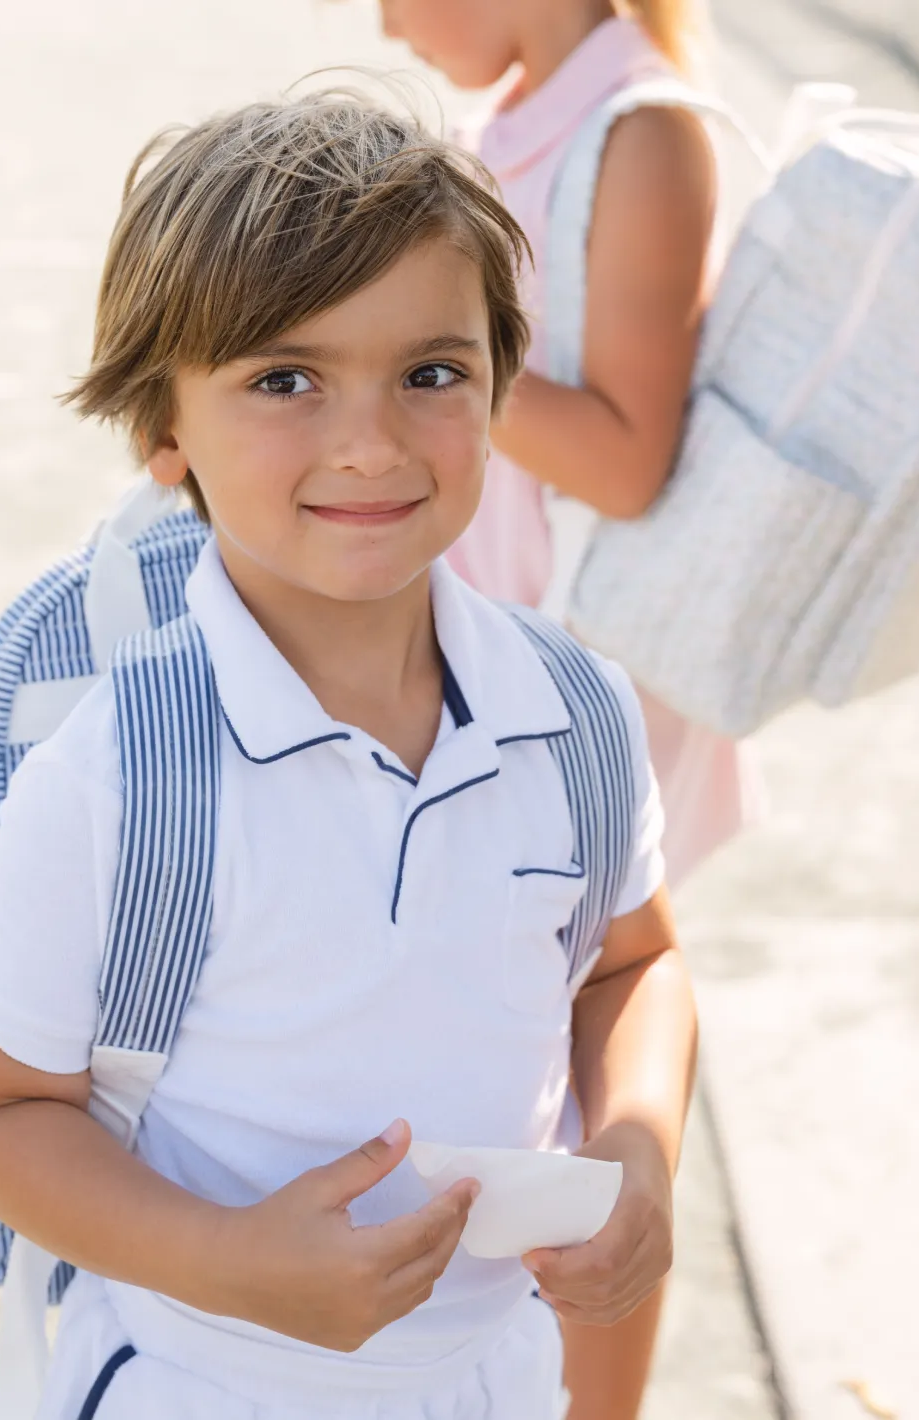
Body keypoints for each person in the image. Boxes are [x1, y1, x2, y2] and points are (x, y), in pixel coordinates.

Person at [0, 95, 698, 1420]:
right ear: (163, 433)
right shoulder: (121, 776)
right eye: (284, 380)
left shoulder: (574, 710)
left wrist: (635, 1144)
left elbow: (633, 961)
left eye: (431, 372)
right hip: (195, 1381)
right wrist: (231, 1264)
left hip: (492, 1382)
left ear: (500, 388)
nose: (372, 442)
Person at [375, 3, 749, 1415]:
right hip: (475, 666)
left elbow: (633, 457)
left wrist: (425, 349)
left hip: (570, 681)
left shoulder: (642, 131)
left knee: (592, 1108)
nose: (383, 20)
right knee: (512, 1082)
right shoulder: (524, 113)